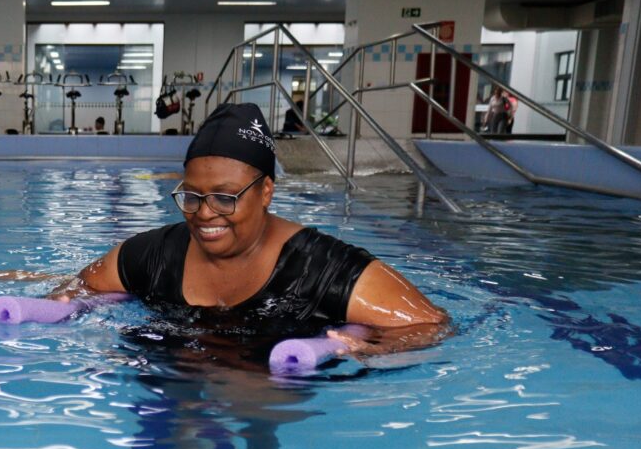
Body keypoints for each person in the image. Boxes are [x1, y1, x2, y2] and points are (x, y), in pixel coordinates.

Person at [62, 102, 449, 355]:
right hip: (174, 378)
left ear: (265, 192)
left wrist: (372, 345)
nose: (204, 214)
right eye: (192, 196)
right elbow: (77, 289)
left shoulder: (322, 268)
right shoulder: (153, 255)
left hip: (273, 382)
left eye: (224, 197)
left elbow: (431, 325)